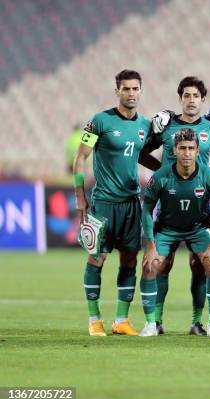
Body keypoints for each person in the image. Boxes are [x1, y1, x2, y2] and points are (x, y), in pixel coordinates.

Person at [74, 69, 159, 336]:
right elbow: (80, 158)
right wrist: (80, 197)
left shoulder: (145, 125)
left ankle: (121, 320)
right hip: (103, 203)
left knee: (130, 261)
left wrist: (167, 169)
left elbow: (140, 155)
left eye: (135, 89)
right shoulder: (99, 121)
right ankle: (94, 319)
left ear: (141, 91)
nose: (131, 93)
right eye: (126, 89)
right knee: (96, 258)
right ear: (117, 91)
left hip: (131, 203)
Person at [140, 76, 210, 335]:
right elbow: (143, 152)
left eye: (195, 96)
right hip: (167, 208)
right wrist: (162, 171)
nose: (191, 100)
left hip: (199, 210)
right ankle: (155, 321)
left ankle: (198, 322)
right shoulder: (166, 125)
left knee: (200, 265)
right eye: (186, 95)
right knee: (162, 263)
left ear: (202, 100)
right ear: (180, 98)